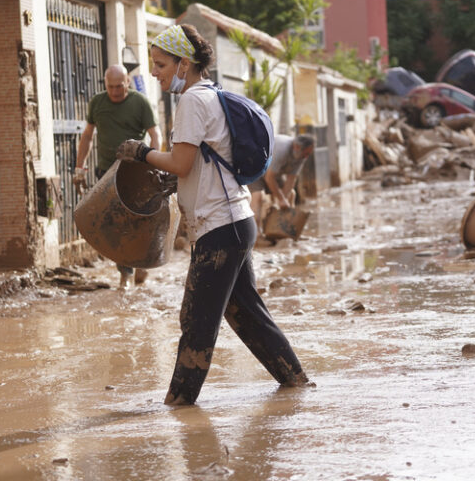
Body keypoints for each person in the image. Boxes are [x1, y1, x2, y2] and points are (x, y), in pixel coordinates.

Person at [116, 24, 312, 405]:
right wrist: (174, 180)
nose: (153, 72)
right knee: (248, 316)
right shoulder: (210, 94)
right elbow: (198, 164)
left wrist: (142, 152)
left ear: (184, 64)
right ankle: (297, 384)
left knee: (196, 323)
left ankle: (179, 405)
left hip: (220, 229)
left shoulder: (191, 101)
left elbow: (182, 162)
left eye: (160, 64)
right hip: (235, 223)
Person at [73, 64, 161, 287]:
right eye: (110, 87)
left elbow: (155, 134)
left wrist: (153, 163)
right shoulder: (97, 103)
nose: (114, 92)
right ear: (105, 84)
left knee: (139, 220)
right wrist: (79, 168)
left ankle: (142, 262)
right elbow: (87, 136)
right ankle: (125, 274)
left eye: (119, 86)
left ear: (128, 82)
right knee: (116, 223)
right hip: (107, 172)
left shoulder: (139, 103)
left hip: (135, 172)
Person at [248, 133, 315, 232]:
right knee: (258, 196)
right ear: (297, 147)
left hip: (273, 173)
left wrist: (283, 200)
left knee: (291, 194)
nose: (306, 157)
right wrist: (281, 199)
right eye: (306, 153)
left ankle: (285, 229)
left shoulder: (301, 156)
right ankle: (257, 234)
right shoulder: (282, 148)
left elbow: (291, 179)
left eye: (308, 154)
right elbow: (269, 178)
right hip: (255, 169)